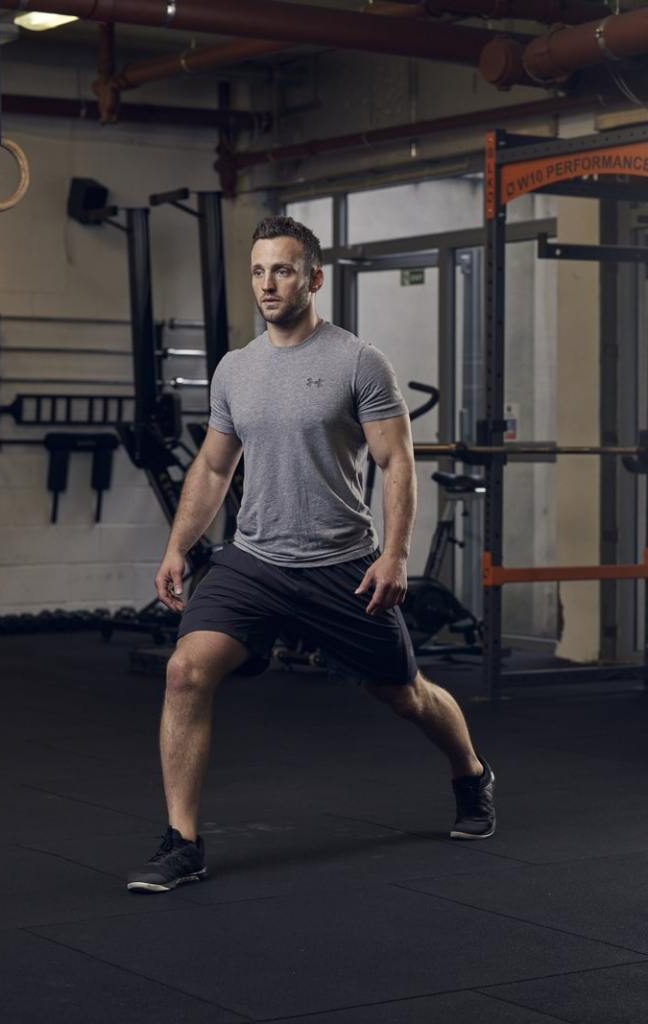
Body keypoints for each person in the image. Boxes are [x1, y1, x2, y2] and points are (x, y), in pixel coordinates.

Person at [126, 216, 495, 893]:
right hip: (255, 562)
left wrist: (395, 555)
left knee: (406, 697)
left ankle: (470, 773)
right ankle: (182, 842)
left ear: (314, 277)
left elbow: (396, 461)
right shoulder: (236, 369)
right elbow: (212, 469)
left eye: (284, 270)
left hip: (340, 565)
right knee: (184, 672)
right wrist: (178, 545)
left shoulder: (358, 362)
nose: (269, 284)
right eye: (260, 271)